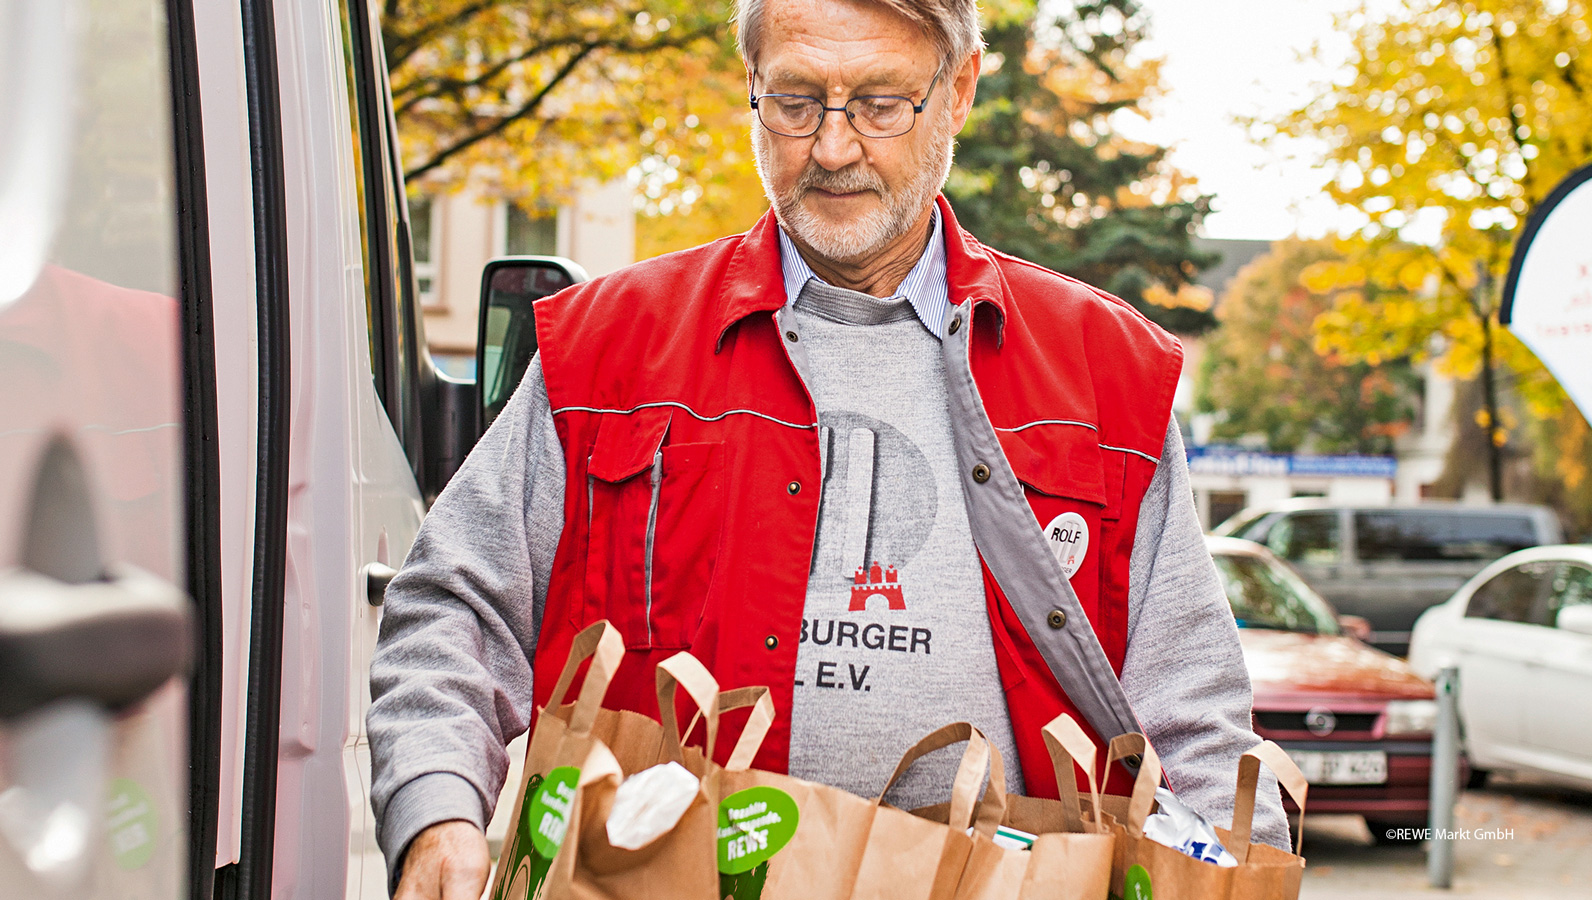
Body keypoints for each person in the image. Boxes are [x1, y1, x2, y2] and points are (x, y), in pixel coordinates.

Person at [368, 0, 1290, 896]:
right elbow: (457, 603)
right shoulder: (611, 349)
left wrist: (1227, 870)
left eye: (882, 104)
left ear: (960, 90)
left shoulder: (1106, 374)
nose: (835, 148)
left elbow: (1191, 716)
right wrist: (438, 810)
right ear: (752, 89)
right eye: (796, 102)